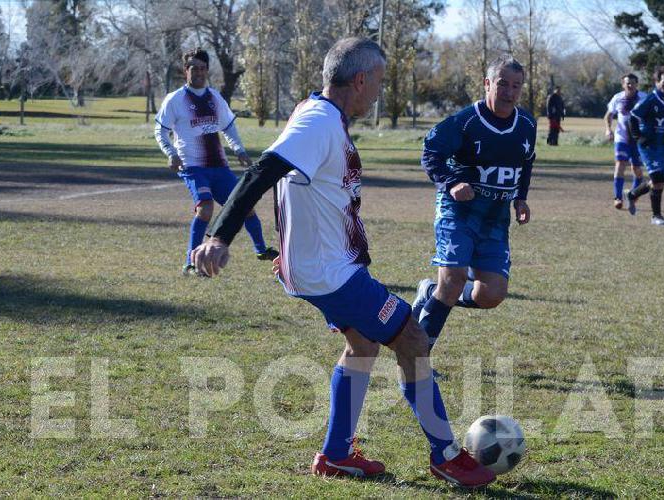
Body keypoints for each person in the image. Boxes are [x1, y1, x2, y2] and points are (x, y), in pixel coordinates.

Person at [189, 37, 496, 488]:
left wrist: (292, 253)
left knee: (363, 347)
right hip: (331, 274)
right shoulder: (317, 122)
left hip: (325, 267)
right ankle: (446, 455)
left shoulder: (317, 114)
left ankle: (335, 455)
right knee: (412, 339)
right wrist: (219, 237)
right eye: (378, 81)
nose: (379, 91)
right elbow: (263, 173)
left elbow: (296, 188)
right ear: (359, 79)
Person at [410, 54, 535, 355]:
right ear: (487, 84)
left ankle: (429, 291)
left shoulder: (527, 124)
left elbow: (527, 161)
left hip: (495, 220)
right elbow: (431, 152)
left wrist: (521, 197)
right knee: (452, 280)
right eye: (502, 84)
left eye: (516, 86)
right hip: (458, 212)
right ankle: (416, 356)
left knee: (491, 294)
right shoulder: (466, 121)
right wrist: (452, 183)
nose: (509, 92)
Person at [154, 48, 278, 275]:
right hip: (193, 167)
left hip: (219, 166)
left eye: (203, 68)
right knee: (205, 209)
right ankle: (191, 263)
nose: (199, 73)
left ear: (207, 71)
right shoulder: (175, 100)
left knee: (244, 205)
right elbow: (160, 131)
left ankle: (261, 250)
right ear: (186, 71)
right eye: (194, 68)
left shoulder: (215, 98)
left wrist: (239, 150)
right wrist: (171, 153)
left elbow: (229, 127)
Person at [626, 65, 664, 226]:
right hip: (648, 146)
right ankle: (656, 216)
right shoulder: (650, 99)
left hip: (663, 147)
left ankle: (632, 195)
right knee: (658, 178)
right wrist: (638, 137)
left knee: (657, 182)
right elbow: (632, 118)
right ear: (657, 82)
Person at [604, 73, 649, 210]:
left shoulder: (644, 98)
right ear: (623, 84)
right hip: (621, 138)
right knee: (620, 165)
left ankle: (633, 195)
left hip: (637, 139)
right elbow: (608, 115)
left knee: (636, 169)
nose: (630, 85)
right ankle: (618, 197)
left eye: (633, 83)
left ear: (637, 84)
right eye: (627, 83)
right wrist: (608, 129)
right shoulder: (617, 98)